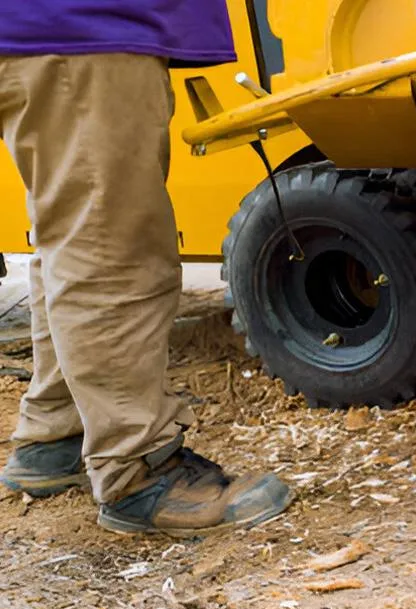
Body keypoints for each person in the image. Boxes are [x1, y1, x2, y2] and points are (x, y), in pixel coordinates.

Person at [0, 2, 293, 536]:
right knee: (111, 247)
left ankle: (57, 434)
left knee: (76, 233)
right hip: (81, 23)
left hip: (56, 29)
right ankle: (137, 472)